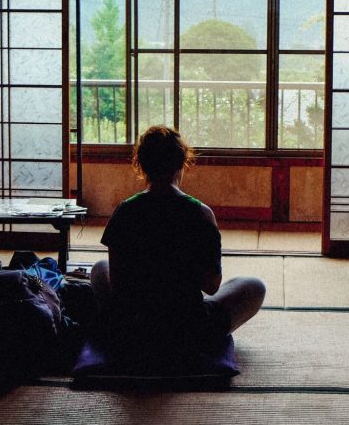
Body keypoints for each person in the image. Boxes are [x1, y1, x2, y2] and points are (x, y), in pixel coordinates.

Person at [90, 125, 265, 364]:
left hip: (133, 329)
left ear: (141, 165)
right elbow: (212, 286)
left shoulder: (125, 210)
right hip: (188, 329)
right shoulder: (200, 213)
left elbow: (119, 288)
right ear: (182, 162)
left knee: (99, 267)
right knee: (254, 286)